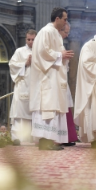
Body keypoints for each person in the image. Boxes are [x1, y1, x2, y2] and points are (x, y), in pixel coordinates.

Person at [29, 8, 74, 150]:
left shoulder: (56, 34)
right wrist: (61, 55)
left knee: (54, 108)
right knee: (47, 108)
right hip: (46, 78)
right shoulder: (46, 32)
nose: (66, 22)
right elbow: (42, 53)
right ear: (57, 19)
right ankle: (45, 141)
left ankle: (52, 140)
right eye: (65, 19)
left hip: (54, 77)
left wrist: (63, 56)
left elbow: (56, 54)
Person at [9, 29, 37, 143]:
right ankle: (18, 138)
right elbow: (12, 65)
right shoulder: (19, 51)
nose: (30, 42)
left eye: (33, 39)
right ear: (25, 39)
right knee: (20, 112)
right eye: (28, 39)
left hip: (35, 87)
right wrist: (25, 63)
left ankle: (34, 137)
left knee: (34, 113)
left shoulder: (40, 52)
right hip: (22, 86)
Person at [59, 22, 78, 146]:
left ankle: (67, 137)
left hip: (61, 80)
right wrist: (62, 56)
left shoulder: (59, 42)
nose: (67, 35)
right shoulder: (52, 39)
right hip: (54, 81)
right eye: (66, 32)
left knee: (65, 108)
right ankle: (60, 138)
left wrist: (65, 59)